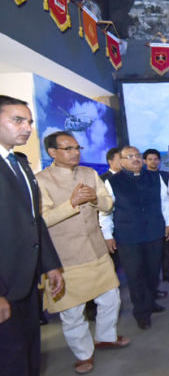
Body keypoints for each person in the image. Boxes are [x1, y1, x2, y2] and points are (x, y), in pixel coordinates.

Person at [36, 131, 130, 374]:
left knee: (111, 298)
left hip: (97, 251)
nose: (75, 152)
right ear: (52, 152)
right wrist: (72, 203)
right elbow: (41, 220)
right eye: (68, 148)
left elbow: (108, 204)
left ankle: (105, 337)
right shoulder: (41, 180)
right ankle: (83, 354)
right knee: (72, 312)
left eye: (77, 148)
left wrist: (95, 199)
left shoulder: (89, 173)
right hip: (66, 257)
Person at [0, 95, 64, 376]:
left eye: (29, 121)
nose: (27, 128)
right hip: (4, 286)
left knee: (29, 354)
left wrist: (50, 264)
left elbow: (33, 221)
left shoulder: (20, 165)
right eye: (18, 120)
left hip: (26, 283)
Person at [99, 146, 169, 330]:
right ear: (121, 161)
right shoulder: (112, 182)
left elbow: (164, 203)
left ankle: (150, 302)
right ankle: (141, 313)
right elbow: (105, 212)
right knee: (135, 275)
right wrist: (107, 235)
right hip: (128, 236)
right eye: (129, 156)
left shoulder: (155, 177)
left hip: (154, 233)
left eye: (138, 155)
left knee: (152, 272)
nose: (135, 159)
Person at [85, 146, 123, 322]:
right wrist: (107, 234)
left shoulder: (129, 178)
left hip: (124, 230)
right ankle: (92, 307)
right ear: (110, 161)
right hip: (105, 231)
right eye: (121, 158)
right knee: (104, 271)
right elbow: (101, 210)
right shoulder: (102, 180)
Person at [143, 148, 169, 283]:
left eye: (156, 159)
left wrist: (163, 210)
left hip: (164, 216)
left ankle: (167, 273)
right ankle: (153, 277)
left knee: (166, 247)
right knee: (150, 249)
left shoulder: (166, 175)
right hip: (147, 219)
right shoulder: (140, 176)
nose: (153, 161)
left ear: (159, 161)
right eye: (150, 159)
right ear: (145, 161)